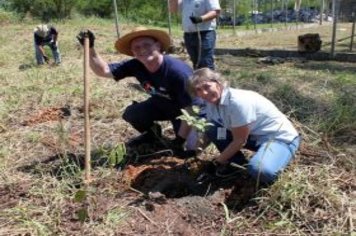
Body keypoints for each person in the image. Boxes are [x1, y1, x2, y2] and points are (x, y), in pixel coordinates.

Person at [76, 27, 200, 151]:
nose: (142, 49)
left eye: (147, 45)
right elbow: (104, 71)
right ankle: (152, 134)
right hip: (161, 104)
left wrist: (179, 140)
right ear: (132, 51)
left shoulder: (178, 72)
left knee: (190, 149)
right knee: (133, 114)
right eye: (137, 47)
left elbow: (192, 109)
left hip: (185, 111)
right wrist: (90, 48)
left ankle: (184, 140)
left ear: (158, 46)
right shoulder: (136, 65)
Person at [188, 68, 301, 184]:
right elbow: (217, 130)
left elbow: (240, 140)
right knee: (211, 128)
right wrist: (195, 150)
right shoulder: (211, 102)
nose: (204, 93)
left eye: (207, 86)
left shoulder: (237, 102)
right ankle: (236, 163)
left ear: (218, 83)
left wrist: (216, 163)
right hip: (253, 137)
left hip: (278, 139)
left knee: (260, 170)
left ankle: (279, 156)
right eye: (198, 90)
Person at [169, 0, 221, 70]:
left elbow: (215, 12)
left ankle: (209, 80)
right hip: (188, 35)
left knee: (205, 63)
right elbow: (173, 10)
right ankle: (199, 80)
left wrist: (200, 19)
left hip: (205, 34)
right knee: (196, 63)